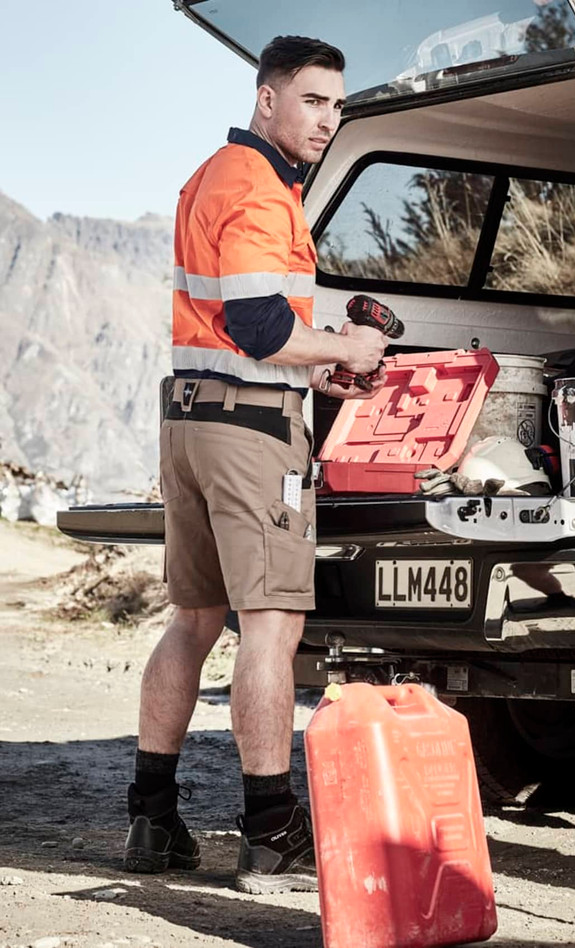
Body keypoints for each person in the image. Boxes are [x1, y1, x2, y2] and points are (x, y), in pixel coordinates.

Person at [122, 35, 387, 894]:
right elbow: (262, 327)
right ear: (267, 98)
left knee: (194, 620)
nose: (327, 119)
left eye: (336, 105)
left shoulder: (208, 177)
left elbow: (234, 325)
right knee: (271, 625)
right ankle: (272, 828)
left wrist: (321, 364)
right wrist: (346, 344)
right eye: (313, 101)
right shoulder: (260, 188)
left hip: (190, 420)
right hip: (248, 436)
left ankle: (152, 819)